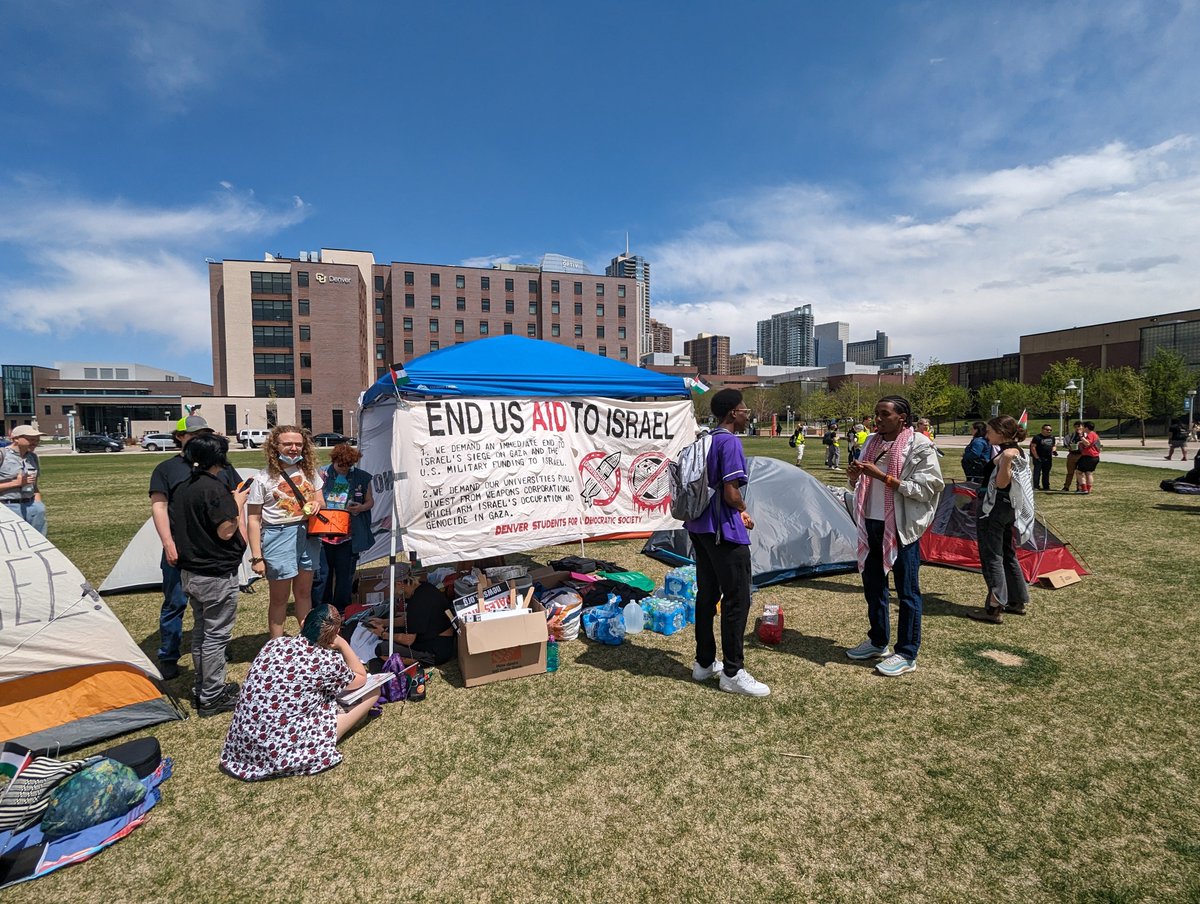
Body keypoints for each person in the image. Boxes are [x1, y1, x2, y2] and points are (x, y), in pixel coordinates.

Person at [220, 605, 380, 781]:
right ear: (334, 635)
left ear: (303, 623)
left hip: (243, 745)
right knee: (374, 692)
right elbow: (361, 677)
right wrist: (342, 643)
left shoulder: (274, 644)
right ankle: (320, 740)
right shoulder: (327, 661)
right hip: (280, 750)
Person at [845, 396, 944, 677]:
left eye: (884, 414)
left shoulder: (920, 445)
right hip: (871, 523)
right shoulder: (871, 443)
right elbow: (859, 484)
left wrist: (884, 477)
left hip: (901, 528)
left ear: (902, 417)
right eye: (876, 414)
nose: (877, 419)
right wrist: (855, 476)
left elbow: (928, 488)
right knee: (873, 586)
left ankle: (907, 652)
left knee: (907, 591)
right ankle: (878, 641)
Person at [684, 388, 768, 697]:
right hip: (723, 530)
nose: (748, 415)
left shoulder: (705, 439)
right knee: (737, 598)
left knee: (707, 595)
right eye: (745, 410)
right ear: (733, 413)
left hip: (698, 526)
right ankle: (733, 671)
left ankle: (704, 663)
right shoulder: (730, 442)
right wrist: (744, 511)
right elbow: (732, 493)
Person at [148, 414, 241, 680]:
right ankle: (169, 654)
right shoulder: (167, 469)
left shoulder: (221, 467)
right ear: (179, 437)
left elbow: (235, 498)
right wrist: (168, 543)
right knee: (176, 602)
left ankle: (215, 651)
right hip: (181, 549)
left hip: (216, 553)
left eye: (206, 433)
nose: (202, 438)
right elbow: (159, 505)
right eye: (195, 434)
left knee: (209, 614)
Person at [170, 433, 247, 716]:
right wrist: (236, 503)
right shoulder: (214, 489)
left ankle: (204, 688)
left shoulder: (183, 486)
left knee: (202, 632)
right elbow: (226, 530)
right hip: (214, 573)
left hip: (192, 571)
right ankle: (212, 695)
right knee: (216, 636)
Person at [247, 425, 325, 638]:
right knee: (280, 598)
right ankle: (276, 645)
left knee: (303, 593)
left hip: (308, 535)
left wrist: (318, 504)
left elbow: (320, 499)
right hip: (277, 536)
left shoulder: (310, 473)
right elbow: (253, 519)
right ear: (275, 446)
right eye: (287, 444)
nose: (293, 448)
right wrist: (256, 557)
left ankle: (307, 640)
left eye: (298, 444)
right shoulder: (263, 479)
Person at [969, 416, 1035, 623]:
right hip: (1009, 509)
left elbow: (1001, 483)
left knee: (992, 556)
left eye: (990, 431)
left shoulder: (1008, 453)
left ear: (1002, 432)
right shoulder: (1017, 450)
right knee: (1007, 553)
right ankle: (1017, 600)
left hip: (995, 508)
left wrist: (1004, 461)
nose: (987, 435)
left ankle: (994, 606)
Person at [313, 444, 374, 612]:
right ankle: (320, 609)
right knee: (322, 575)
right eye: (341, 466)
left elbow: (370, 501)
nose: (344, 469)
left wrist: (360, 508)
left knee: (345, 575)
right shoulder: (321, 475)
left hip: (348, 536)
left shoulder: (362, 477)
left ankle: (341, 609)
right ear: (334, 460)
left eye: (349, 466)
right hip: (323, 534)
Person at [362, 566, 456, 666]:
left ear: (399, 584)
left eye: (390, 587)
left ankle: (415, 662)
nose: (390, 590)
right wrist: (383, 622)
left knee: (382, 649)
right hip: (437, 640)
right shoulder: (423, 588)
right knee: (392, 632)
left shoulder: (418, 601)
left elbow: (409, 640)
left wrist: (383, 634)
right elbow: (411, 619)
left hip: (436, 651)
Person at [0, 425, 48, 535]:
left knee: (38, 544)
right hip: (8, 507)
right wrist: (16, 483)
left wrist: (39, 505)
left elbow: (35, 486)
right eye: (31, 439)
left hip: (32, 507)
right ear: (16, 439)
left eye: (37, 440)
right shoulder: (2, 455)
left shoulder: (33, 457)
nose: (35, 443)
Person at [1029, 424, 1057, 491]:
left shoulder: (1052, 437)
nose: (1049, 431)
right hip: (1038, 457)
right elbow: (1033, 447)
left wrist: (1054, 451)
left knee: (1046, 472)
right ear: (1042, 430)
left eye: (1050, 430)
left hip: (1048, 458)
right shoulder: (1037, 437)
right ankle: (1036, 486)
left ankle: (1046, 486)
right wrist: (1036, 457)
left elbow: (1054, 445)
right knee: (1037, 472)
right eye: (1047, 430)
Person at [1075, 421, 1101, 494]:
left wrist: (1081, 436)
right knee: (1088, 473)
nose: (1082, 428)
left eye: (1083, 426)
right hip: (1094, 457)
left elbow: (1087, 443)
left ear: (1086, 427)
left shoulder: (1091, 434)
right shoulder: (1094, 434)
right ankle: (1088, 489)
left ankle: (1084, 489)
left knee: (1079, 472)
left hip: (1089, 457)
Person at [1061, 422, 1085, 492]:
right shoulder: (1071, 436)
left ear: (1083, 427)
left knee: (1080, 472)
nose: (1078, 428)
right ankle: (1066, 487)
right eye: (1076, 427)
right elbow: (1066, 443)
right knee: (1070, 472)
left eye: (1079, 426)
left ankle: (1079, 487)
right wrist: (1069, 446)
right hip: (1072, 455)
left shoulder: (1085, 435)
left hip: (1081, 455)